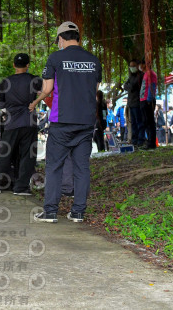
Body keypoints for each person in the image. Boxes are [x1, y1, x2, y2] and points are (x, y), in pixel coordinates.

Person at [30, 21, 102, 223]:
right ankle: (78, 212)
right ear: (78, 37)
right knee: (82, 167)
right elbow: (94, 89)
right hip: (86, 121)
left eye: (58, 41)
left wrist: (36, 100)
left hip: (62, 121)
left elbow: (47, 90)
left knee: (54, 166)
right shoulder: (94, 60)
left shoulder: (56, 58)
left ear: (61, 39)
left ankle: (50, 212)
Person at [0, 53, 42, 194]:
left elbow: (0, 104)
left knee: (5, 153)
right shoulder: (34, 80)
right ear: (28, 65)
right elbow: (47, 91)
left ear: (13, 65)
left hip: (11, 122)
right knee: (27, 155)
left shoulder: (5, 81)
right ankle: (21, 187)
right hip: (29, 121)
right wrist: (35, 102)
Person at [123, 59, 144, 146]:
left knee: (139, 122)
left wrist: (129, 86)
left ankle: (140, 140)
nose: (132, 68)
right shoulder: (131, 76)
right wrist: (129, 86)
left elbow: (132, 86)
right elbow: (125, 86)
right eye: (130, 66)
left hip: (137, 103)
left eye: (133, 66)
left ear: (137, 66)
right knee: (133, 123)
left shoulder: (141, 76)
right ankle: (134, 140)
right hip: (131, 103)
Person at [139, 59, 158, 149]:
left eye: (141, 64)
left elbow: (152, 86)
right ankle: (149, 142)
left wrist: (149, 100)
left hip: (147, 100)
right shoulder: (145, 74)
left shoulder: (151, 74)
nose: (140, 67)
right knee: (146, 122)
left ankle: (151, 143)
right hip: (143, 100)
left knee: (150, 122)